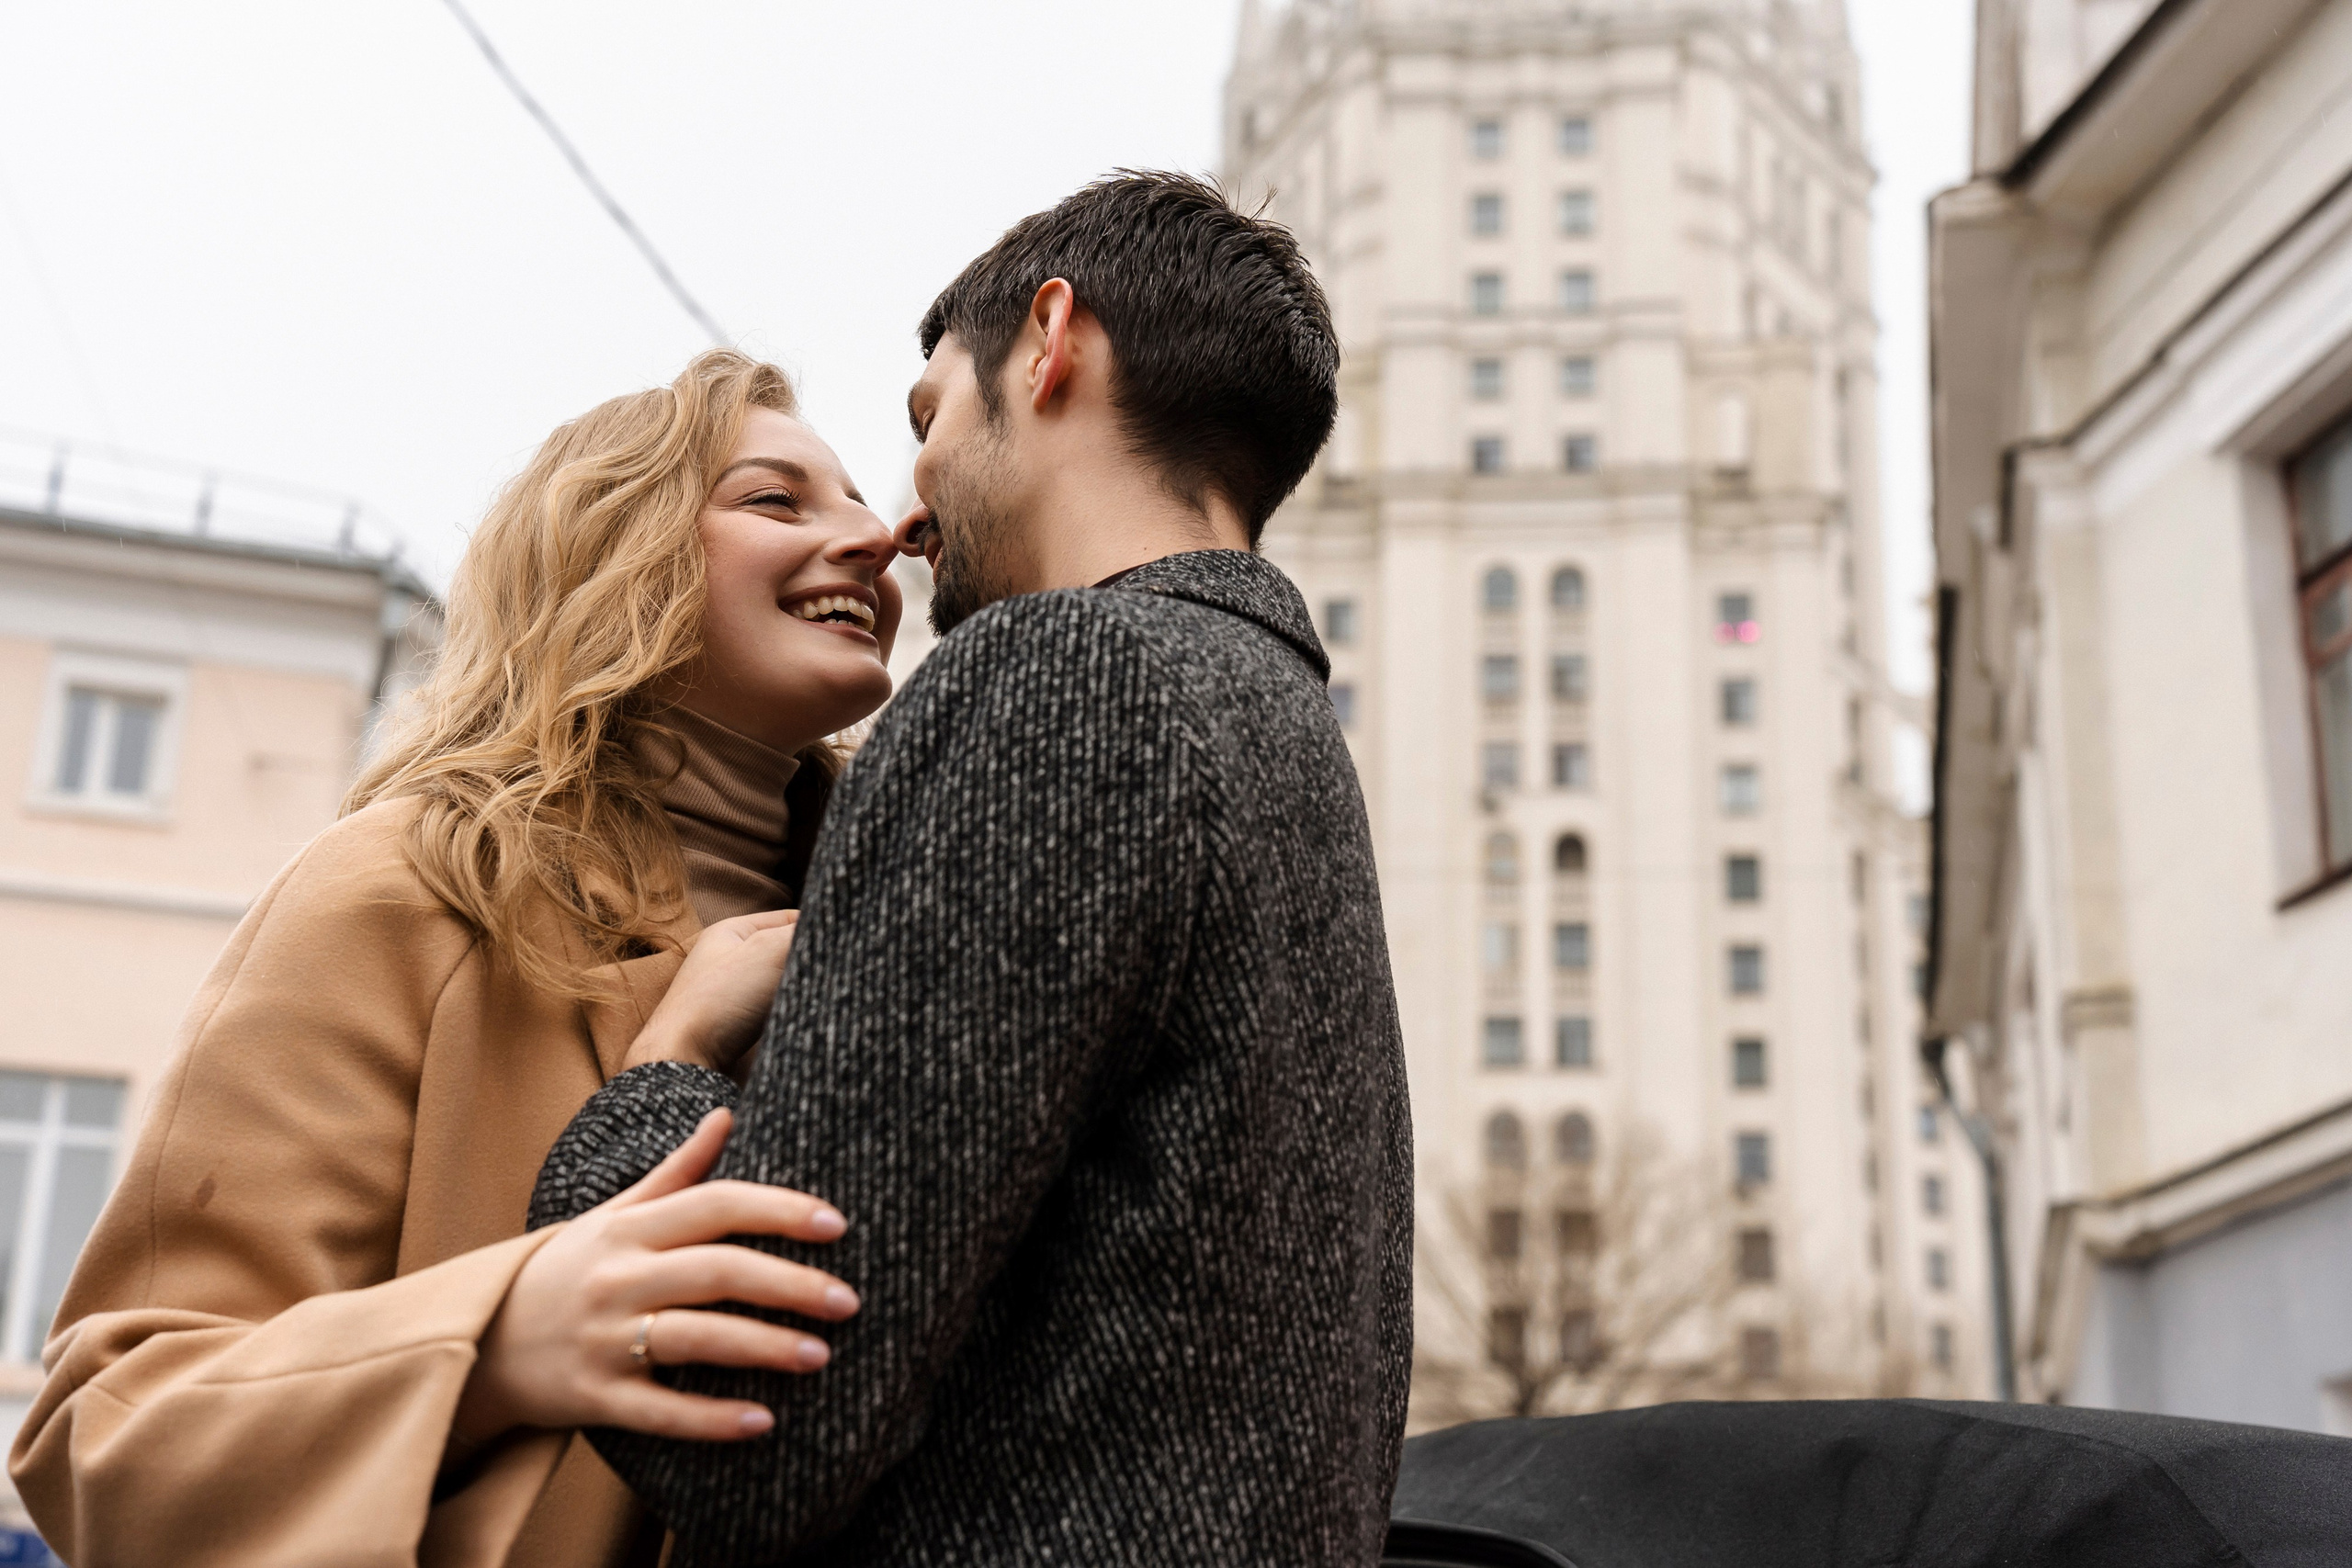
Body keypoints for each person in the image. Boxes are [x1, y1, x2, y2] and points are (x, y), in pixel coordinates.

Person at [530, 171, 1413, 1567]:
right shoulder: (1284, 729)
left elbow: (747, 1411)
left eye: (925, 420)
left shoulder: (1060, 673)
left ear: (1051, 340)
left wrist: (669, 1064)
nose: (907, 513)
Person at [11, 352, 899, 1568]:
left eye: (859, 498)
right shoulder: (406, 887)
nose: (875, 534)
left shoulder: (906, 932)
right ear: (613, 553)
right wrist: (496, 1340)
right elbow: (110, 1435)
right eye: (774, 499)